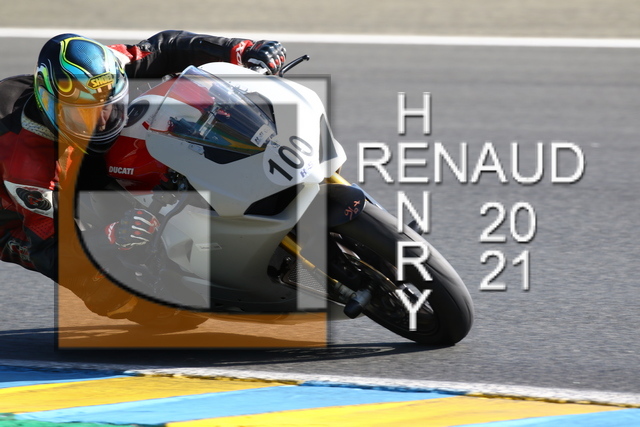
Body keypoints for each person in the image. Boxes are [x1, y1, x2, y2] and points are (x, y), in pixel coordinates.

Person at [0, 31, 286, 319]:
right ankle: (144, 306)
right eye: (84, 115)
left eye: (109, 106)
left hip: (77, 153)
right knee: (102, 285)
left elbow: (166, 48)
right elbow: (48, 248)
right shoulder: (28, 166)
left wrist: (241, 49)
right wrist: (111, 235)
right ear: (52, 106)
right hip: (12, 214)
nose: (102, 121)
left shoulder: (104, 71)